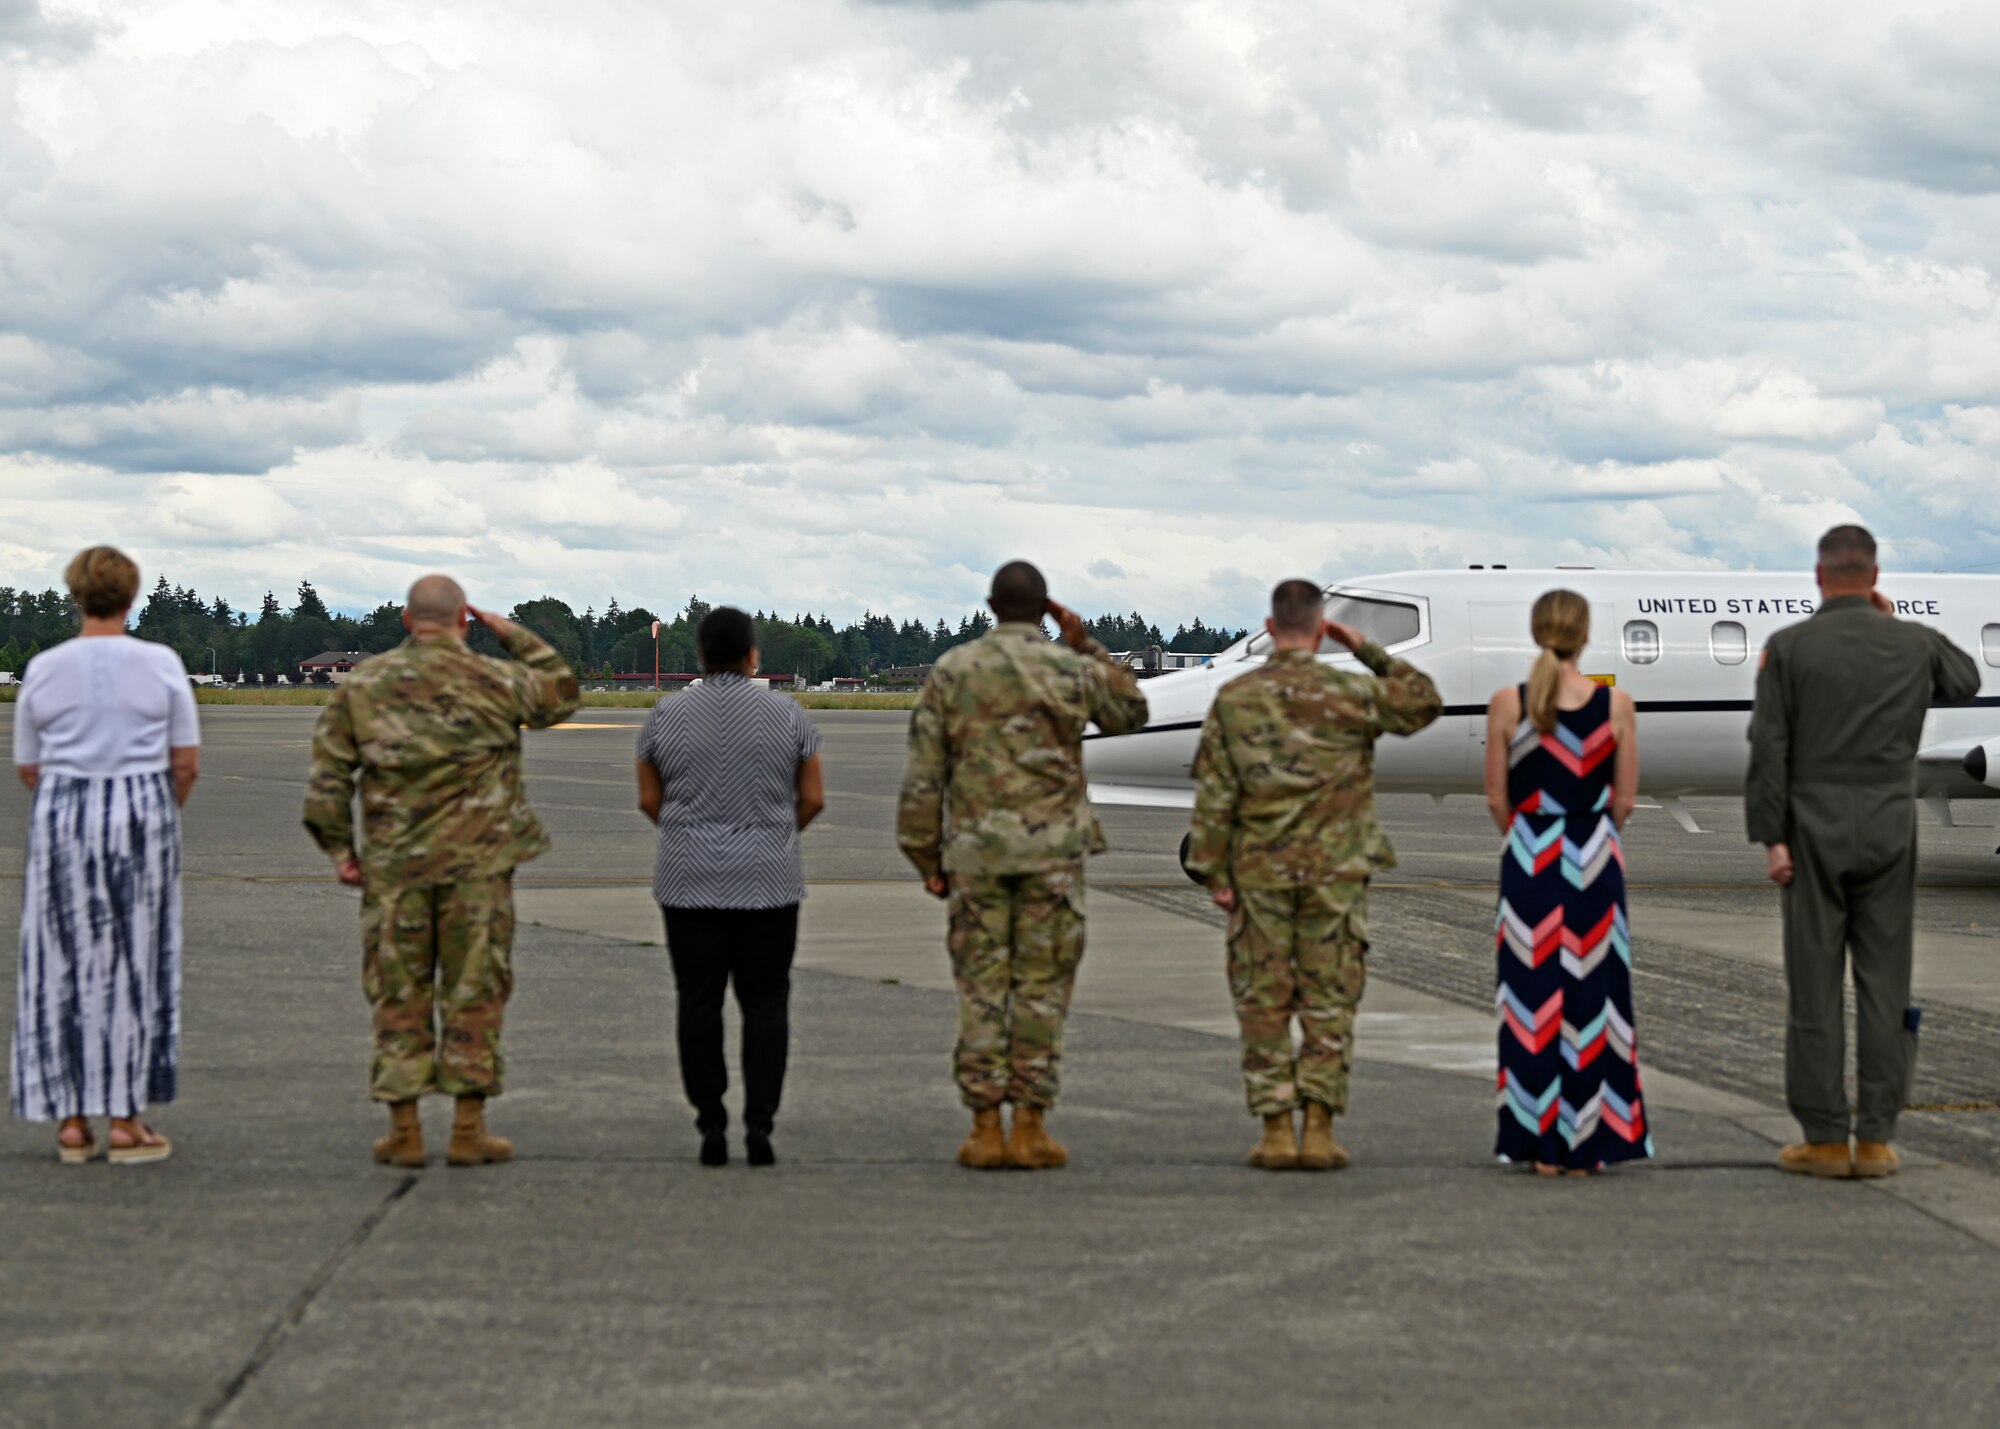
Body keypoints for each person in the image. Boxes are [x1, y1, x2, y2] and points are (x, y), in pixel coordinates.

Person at [302, 575, 579, 1167]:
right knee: (475, 989)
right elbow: (562, 691)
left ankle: (404, 1131)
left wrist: (340, 851)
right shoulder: (499, 681)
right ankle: (467, 1128)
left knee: (398, 992)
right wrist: (509, 632)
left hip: (395, 869)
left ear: (407, 621)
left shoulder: (365, 686)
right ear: (464, 621)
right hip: (478, 869)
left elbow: (328, 783)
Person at [896, 561, 1148, 1170]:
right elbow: (1131, 711)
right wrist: (1085, 639)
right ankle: (1031, 1125)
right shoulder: (1072, 669)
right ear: (1045, 610)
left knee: (981, 990)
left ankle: (985, 1127)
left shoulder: (954, 671)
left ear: (990, 605)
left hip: (977, 857)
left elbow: (925, 774)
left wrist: (926, 855)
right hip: (1053, 858)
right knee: (1040, 990)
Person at [1748, 525, 1980, 1179]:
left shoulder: (1787, 648)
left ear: (1818, 577)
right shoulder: (1911, 644)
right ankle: (1876, 1137)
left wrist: (1773, 836)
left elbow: (1769, 748)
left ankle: (1824, 1138)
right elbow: (1965, 679)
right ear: (1875, 578)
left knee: (1815, 986)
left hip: (1812, 829)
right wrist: (1899, 623)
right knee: (1885, 983)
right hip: (1888, 826)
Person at [1186, 580, 1441, 1171]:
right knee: (1329, 998)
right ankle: (1320, 1127)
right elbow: (1423, 701)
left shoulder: (1236, 697)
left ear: (1270, 629)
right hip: (1337, 872)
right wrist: (1367, 650)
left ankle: (1276, 1128)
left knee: (1263, 999)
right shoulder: (1351, 691)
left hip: (1259, 873)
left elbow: (1214, 793)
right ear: (1322, 627)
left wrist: (1213, 870)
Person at [12, 547, 198, 1165]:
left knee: (58, 958)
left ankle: (70, 1121)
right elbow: (185, 761)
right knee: (135, 959)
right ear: (130, 595)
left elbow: (29, 766)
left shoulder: (43, 667)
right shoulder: (161, 663)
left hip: (64, 807)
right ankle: (124, 1118)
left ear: (74, 595)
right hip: (143, 805)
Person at [636, 607, 825, 1168]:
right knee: (765, 1000)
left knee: (698, 1000)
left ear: (700, 654)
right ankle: (760, 1122)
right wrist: (777, 836)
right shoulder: (789, 716)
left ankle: (710, 1122)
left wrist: (685, 833)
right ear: (752, 654)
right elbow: (813, 797)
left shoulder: (664, 717)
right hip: (768, 880)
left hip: (687, 879)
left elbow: (650, 800)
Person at [1483, 590, 1651, 1176]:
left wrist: (1533, 837)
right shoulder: (1617, 705)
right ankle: (1589, 1145)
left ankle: (1536, 1146)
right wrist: (1587, 835)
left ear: (1536, 632)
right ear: (1585, 635)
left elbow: (1497, 797)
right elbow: (1625, 798)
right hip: (1594, 855)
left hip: (1530, 854)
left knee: (1530, 1001)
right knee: (1595, 1003)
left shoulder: (1509, 703)